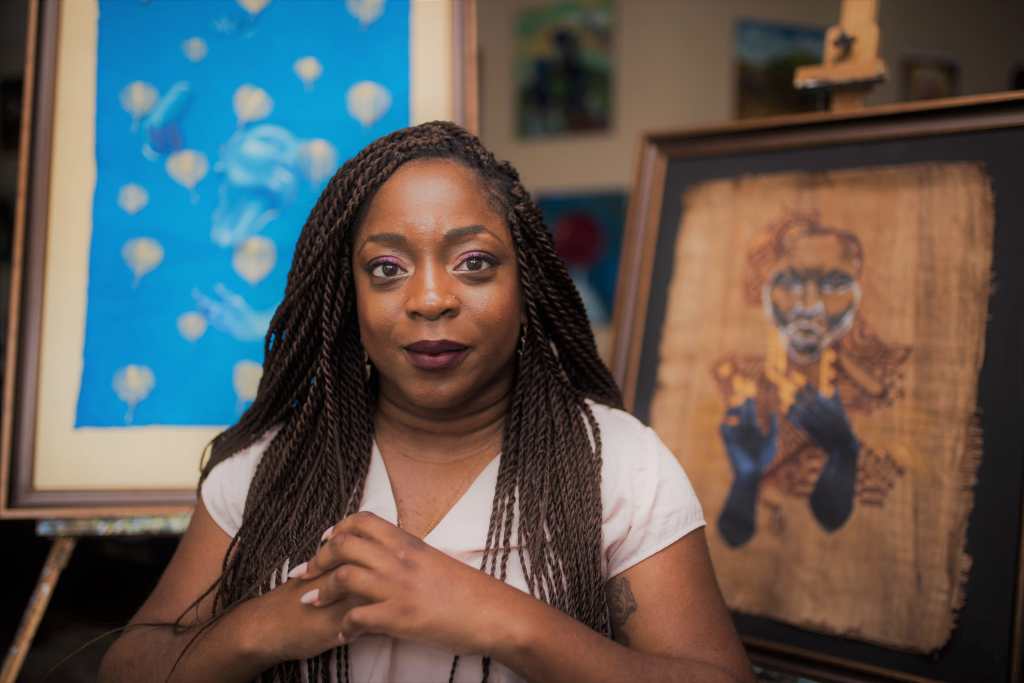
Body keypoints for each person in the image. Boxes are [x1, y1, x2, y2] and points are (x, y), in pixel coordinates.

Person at [98, 122, 753, 683]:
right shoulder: (268, 470)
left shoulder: (621, 466)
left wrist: (499, 617)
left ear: (526, 284)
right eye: (387, 268)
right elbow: (127, 665)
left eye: (473, 261)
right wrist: (262, 628)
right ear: (346, 298)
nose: (431, 298)